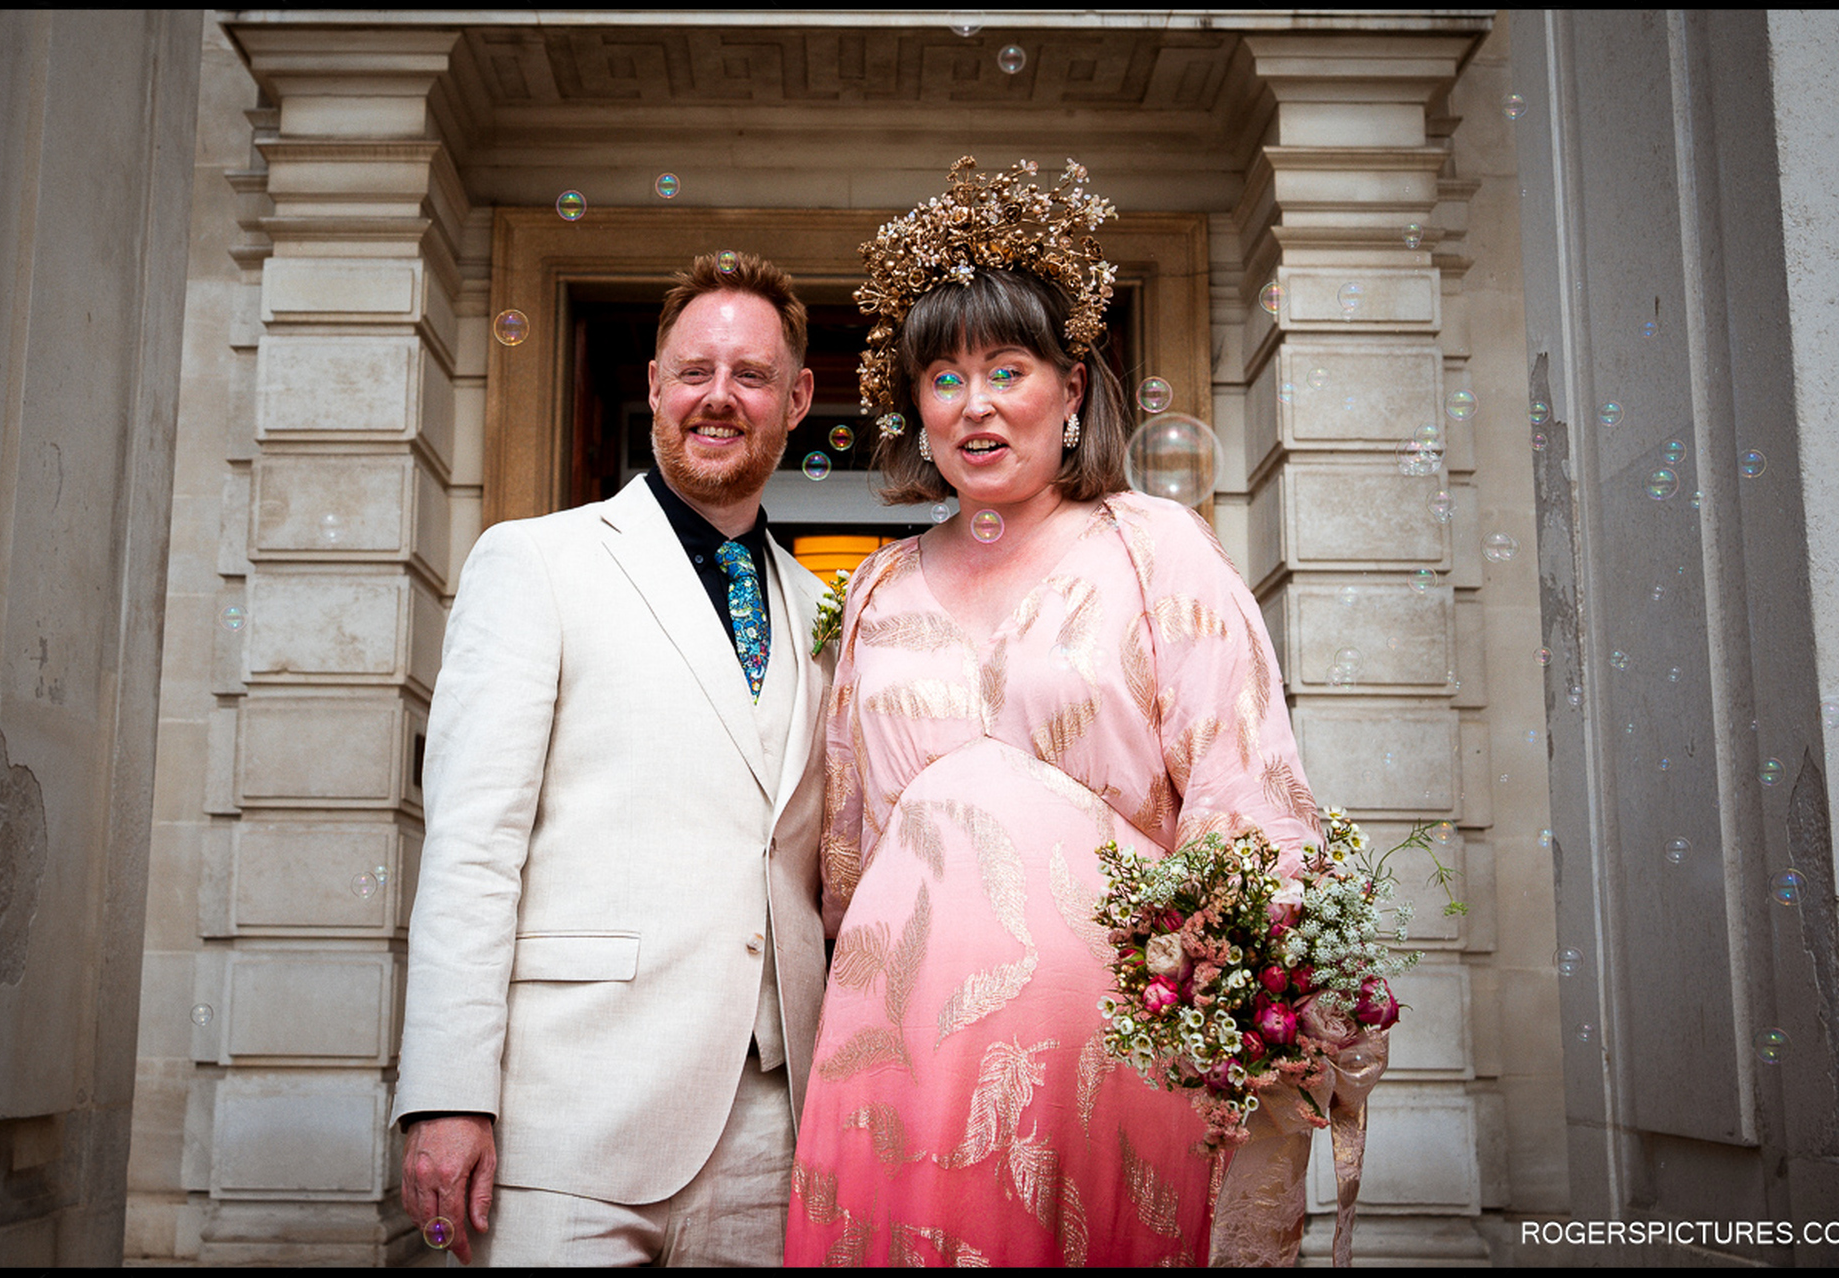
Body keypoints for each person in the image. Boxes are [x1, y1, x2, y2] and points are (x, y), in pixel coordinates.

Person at [783, 158, 1339, 1266]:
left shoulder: (1153, 547)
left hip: (1112, 1049)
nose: (975, 404)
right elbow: (849, 863)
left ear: (1073, 384)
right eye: (943, 377)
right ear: (915, 407)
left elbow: (1243, 790)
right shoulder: (879, 593)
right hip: (900, 1067)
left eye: (1007, 368)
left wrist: (1253, 1002)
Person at [391, 251, 832, 1266]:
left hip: (777, 1125)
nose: (719, 398)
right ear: (653, 386)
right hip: (566, 1120)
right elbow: (471, 848)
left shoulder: (828, 613)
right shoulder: (534, 562)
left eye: (753, 375)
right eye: (694, 371)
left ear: (798, 397)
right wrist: (449, 1094)